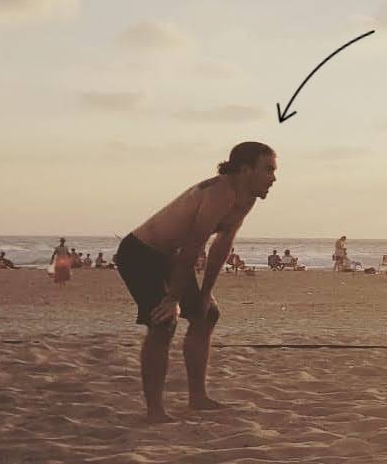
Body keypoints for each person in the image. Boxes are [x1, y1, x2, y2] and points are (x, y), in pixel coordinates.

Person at [113, 140, 277, 423]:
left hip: (170, 257)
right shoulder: (219, 193)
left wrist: (205, 293)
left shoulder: (246, 197)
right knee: (163, 322)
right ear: (246, 169)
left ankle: (197, 398)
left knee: (206, 315)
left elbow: (222, 245)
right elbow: (194, 244)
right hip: (140, 253)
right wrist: (173, 298)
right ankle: (155, 411)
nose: (273, 178)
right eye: (268, 170)